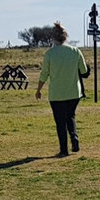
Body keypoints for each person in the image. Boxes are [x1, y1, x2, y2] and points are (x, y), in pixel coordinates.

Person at [35, 22, 89, 157]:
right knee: (71, 116)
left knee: (60, 121)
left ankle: (63, 149)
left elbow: (44, 74)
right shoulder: (75, 51)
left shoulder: (49, 54)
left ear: (53, 38)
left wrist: (39, 89)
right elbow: (84, 71)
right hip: (73, 92)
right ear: (66, 37)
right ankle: (74, 138)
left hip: (57, 94)